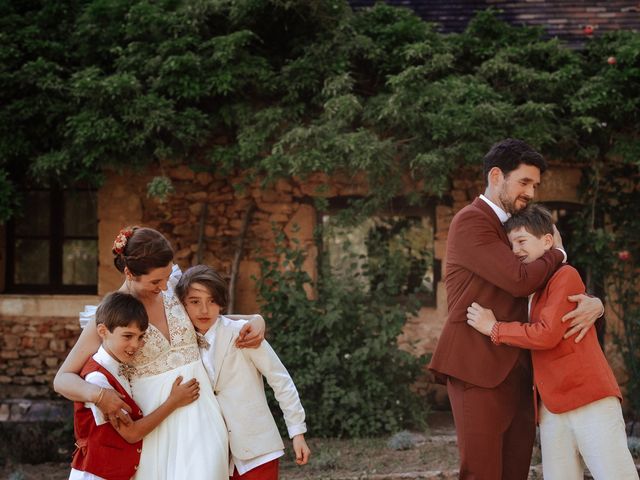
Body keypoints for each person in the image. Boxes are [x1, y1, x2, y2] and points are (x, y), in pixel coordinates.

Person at [428, 139, 605, 479]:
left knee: (515, 472)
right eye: (524, 182)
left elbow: (554, 285)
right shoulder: (471, 221)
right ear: (496, 176)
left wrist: (595, 303)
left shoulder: (518, 229)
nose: (531, 192)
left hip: (521, 371)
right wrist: (560, 252)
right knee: (482, 473)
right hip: (477, 368)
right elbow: (521, 280)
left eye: (535, 185)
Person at [54, 226, 266, 479]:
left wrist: (255, 319)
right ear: (129, 272)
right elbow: (62, 379)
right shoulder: (111, 315)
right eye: (156, 281)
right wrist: (99, 395)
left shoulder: (173, 286)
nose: (165, 286)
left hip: (203, 413)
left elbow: (212, 320)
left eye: (167, 277)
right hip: (153, 423)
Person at [466, 204, 638, 480]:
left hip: (589, 399)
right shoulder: (526, 289)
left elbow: (546, 334)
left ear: (548, 241)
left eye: (522, 241)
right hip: (550, 408)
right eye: (511, 245)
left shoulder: (564, 275)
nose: (516, 251)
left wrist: (494, 328)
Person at [175, 265, 311, 480]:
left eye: (211, 301)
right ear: (182, 304)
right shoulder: (180, 345)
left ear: (221, 302)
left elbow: (280, 380)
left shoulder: (243, 333)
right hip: (212, 454)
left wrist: (297, 432)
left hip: (257, 448)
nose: (204, 310)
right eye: (194, 302)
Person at [71, 291, 201, 480]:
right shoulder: (97, 379)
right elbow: (131, 433)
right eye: (127, 336)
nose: (135, 345)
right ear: (102, 331)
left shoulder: (120, 367)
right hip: (96, 475)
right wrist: (173, 401)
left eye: (140, 337)